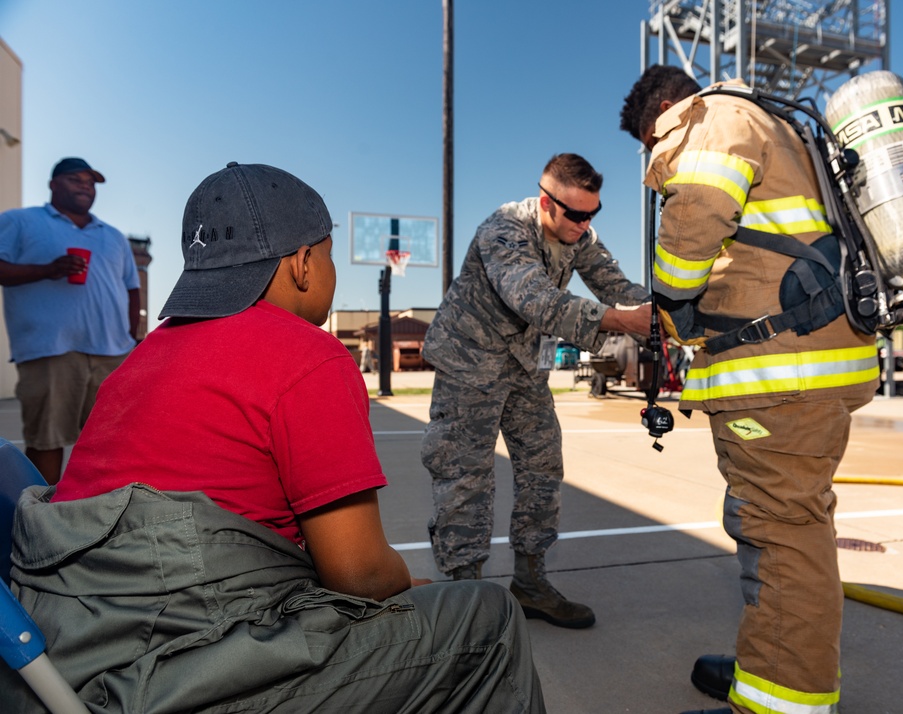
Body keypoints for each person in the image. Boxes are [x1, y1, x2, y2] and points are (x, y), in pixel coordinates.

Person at [1, 162, 545, 714]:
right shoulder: (308, 356)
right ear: (304, 264)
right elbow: (359, 576)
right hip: (161, 675)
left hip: (65, 666)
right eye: (329, 254)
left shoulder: (137, 364)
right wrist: (416, 582)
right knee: (486, 617)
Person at [619, 66, 879, 714]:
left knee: (782, 534)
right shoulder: (774, 125)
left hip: (779, 374)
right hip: (801, 367)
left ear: (666, 111)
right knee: (783, 525)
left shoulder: (714, 121)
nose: (655, 161)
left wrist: (668, 307)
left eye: (652, 144)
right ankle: (772, 658)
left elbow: (697, 219)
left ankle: (782, 697)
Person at [421, 153, 652, 629]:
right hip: (470, 363)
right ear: (547, 204)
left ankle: (529, 583)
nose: (586, 224)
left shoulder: (578, 235)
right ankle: (466, 600)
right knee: (465, 478)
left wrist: (661, 308)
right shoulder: (504, 229)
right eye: (576, 214)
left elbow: (616, 285)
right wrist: (621, 321)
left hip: (524, 367)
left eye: (594, 213)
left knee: (543, 467)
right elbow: (535, 299)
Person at [0, 157, 140, 484]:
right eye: (75, 179)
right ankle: (42, 520)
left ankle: (98, 517)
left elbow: (132, 289)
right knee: (46, 442)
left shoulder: (114, 236)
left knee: (112, 442)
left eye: (90, 183)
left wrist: (130, 340)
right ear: (52, 184)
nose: (85, 187)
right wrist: (48, 270)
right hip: (50, 350)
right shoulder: (20, 221)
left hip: (112, 354)